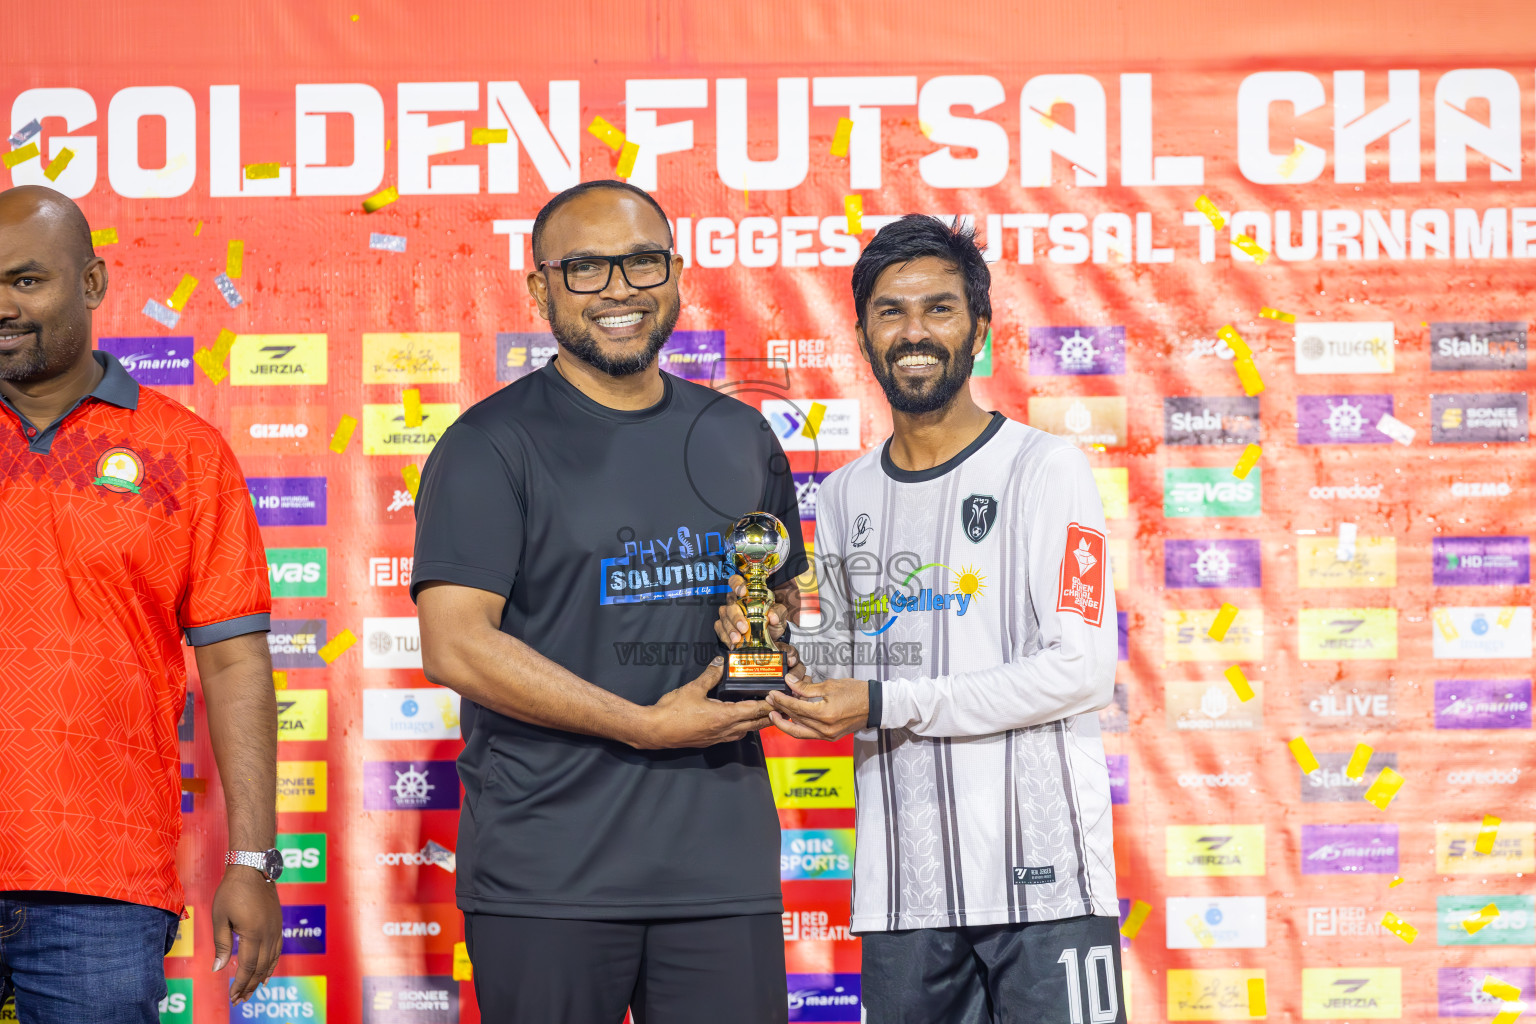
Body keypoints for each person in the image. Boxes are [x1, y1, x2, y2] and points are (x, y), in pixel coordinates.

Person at [412, 179, 807, 1023]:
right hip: (550, 873)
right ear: (539, 289)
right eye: (586, 268)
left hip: (720, 866)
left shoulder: (739, 436)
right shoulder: (488, 445)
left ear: (676, 272)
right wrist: (640, 723)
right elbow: (454, 644)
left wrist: (764, 628)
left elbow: (778, 603)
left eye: (641, 262)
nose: (620, 288)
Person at [720, 215, 1124, 1023]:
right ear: (863, 332)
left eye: (939, 309)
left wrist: (882, 702)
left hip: (1045, 884)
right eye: (890, 311)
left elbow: (1079, 670)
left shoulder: (1049, 470)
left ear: (980, 328)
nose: (914, 333)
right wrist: (773, 643)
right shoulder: (840, 496)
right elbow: (840, 667)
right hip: (904, 894)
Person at [0, 186, 283, 1020]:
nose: (3, 307)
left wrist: (256, 860)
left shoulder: (186, 454)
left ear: (90, 284)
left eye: (26, 281)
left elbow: (235, 665)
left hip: (103, 885)